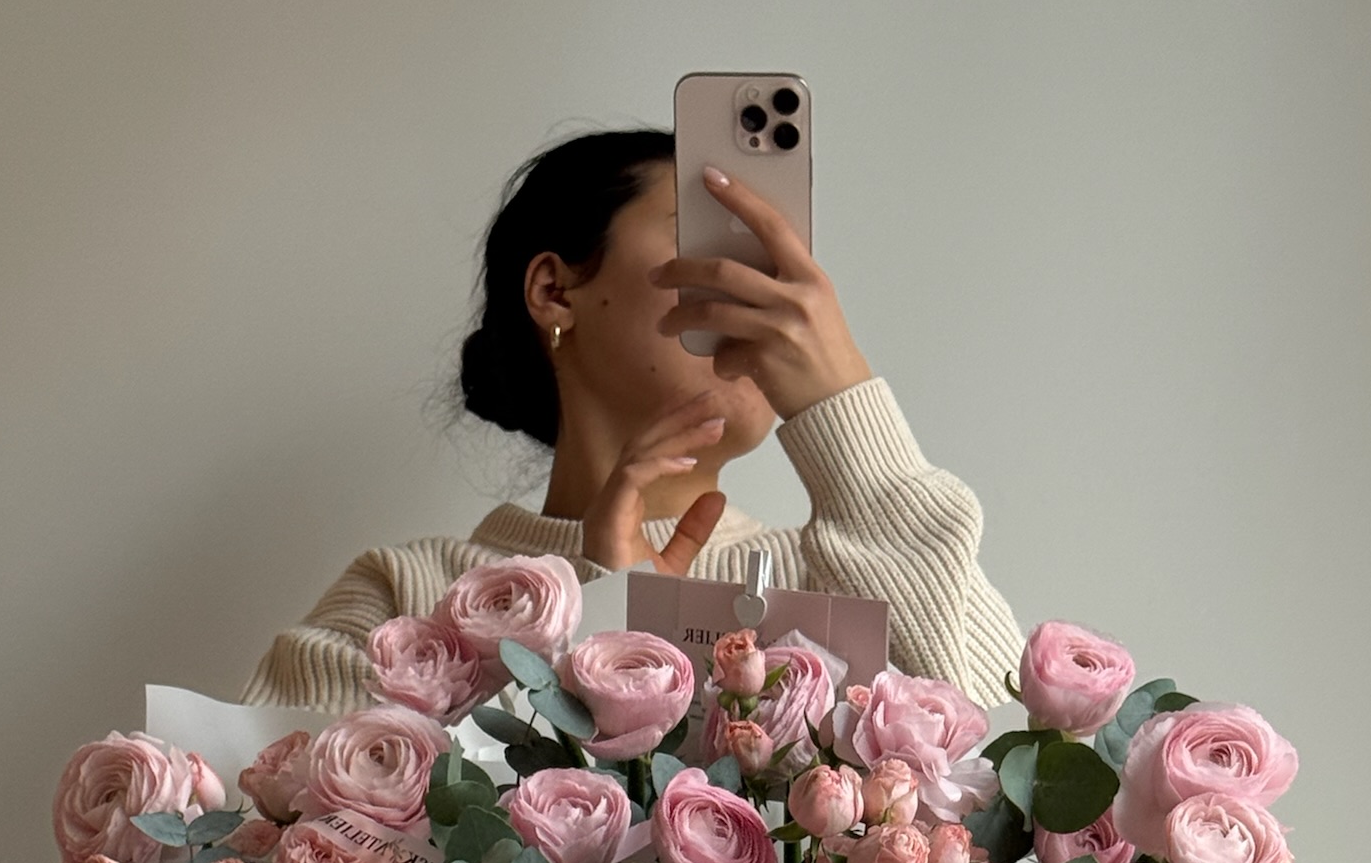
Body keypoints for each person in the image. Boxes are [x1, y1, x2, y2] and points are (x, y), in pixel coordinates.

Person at [244, 128, 1024, 713]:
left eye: (767, 261)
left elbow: (1004, 798)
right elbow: (295, 845)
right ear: (555, 292)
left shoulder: (838, 578)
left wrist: (842, 406)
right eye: (708, 244)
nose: (757, 288)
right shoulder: (404, 596)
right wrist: (606, 615)